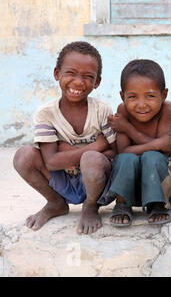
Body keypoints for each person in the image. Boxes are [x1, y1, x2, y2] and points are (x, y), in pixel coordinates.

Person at [13, 41, 117, 234]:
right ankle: (55, 203)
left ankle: (90, 206)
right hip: (64, 181)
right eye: (71, 73)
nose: (78, 82)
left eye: (87, 76)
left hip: (99, 186)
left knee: (92, 159)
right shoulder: (46, 114)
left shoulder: (102, 110)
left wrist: (67, 150)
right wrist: (96, 145)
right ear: (56, 74)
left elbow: (114, 151)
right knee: (23, 156)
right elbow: (51, 162)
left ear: (97, 82)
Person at [107, 59, 171, 226]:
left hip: (160, 179)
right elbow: (124, 151)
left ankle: (159, 205)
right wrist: (158, 143)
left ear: (164, 94)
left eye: (150, 96)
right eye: (132, 97)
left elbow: (166, 150)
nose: (141, 104)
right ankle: (122, 204)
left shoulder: (167, 109)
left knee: (152, 157)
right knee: (125, 159)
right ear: (122, 96)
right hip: (130, 181)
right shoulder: (122, 110)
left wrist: (128, 129)